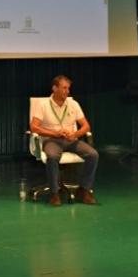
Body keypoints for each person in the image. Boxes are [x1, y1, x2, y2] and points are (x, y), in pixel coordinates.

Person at [30, 75, 98, 206]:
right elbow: (34, 127)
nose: (67, 91)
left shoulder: (73, 104)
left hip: (71, 140)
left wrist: (75, 134)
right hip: (51, 140)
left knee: (93, 154)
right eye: (64, 88)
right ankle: (54, 193)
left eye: (68, 88)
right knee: (52, 156)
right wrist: (54, 133)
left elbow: (86, 126)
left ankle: (83, 190)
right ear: (54, 88)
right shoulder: (43, 105)